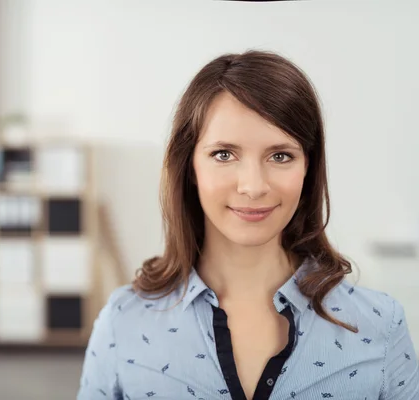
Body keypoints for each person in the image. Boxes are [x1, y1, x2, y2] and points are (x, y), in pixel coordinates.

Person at [76, 50, 419, 400]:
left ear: (308, 169)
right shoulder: (123, 322)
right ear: (189, 166)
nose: (253, 186)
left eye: (280, 156)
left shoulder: (380, 326)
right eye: (224, 154)